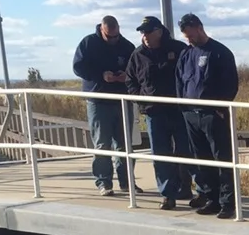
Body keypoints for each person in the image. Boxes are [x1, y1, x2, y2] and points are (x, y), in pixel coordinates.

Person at [125, 15, 194, 210]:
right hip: (154, 112)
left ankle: (188, 188)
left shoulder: (179, 49)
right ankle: (167, 194)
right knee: (160, 154)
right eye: (142, 32)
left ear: (159, 31)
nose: (144, 35)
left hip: (179, 111)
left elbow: (190, 76)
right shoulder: (138, 55)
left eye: (148, 31)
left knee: (185, 151)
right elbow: (131, 80)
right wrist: (140, 98)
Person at [175, 13, 240, 217]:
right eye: (185, 36)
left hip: (213, 115)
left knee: (222, 159)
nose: (188, 39)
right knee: (202, 159)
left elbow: (230, 84)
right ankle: (212, 198)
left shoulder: (220, 52)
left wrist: (220, 109)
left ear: (199, 27)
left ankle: (228, 203)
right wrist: (183, 108)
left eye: (189, 34)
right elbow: (179, 82)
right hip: (191, 115)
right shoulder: (186, 54)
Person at [72, 15, 136, 196]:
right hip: (98, 101)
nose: (114, 40)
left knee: (125, 145)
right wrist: (101, 75)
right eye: (110, 37)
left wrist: (126, 76)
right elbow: (78, 67)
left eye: (116, 36)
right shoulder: (88, 43)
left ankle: (127, 182)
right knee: (102, 144)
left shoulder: (127, 46)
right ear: (102, 29)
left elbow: (136, 69)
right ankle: (104, 182)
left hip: (122, 100)